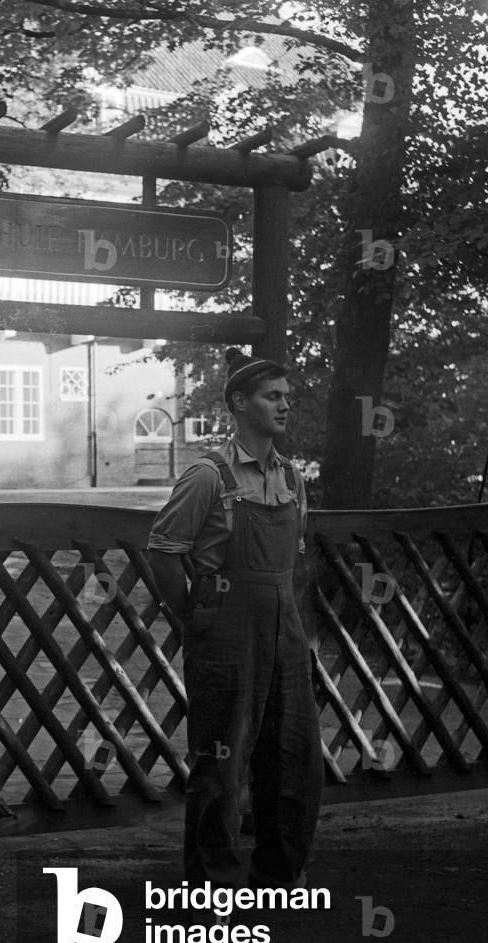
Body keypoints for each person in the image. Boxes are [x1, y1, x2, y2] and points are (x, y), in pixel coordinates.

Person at [147, 346, 322, 895]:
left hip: (284, 629)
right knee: (221, 762)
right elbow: (164, 551)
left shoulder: (293, 478)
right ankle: (212, 885)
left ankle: (278, 876)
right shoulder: (208, 476)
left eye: (287, 397)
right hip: (225, 632)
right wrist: (197, 617)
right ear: (240, 404)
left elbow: (290, 560)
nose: (284, 407)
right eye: (273, 397)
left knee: (294, 759)